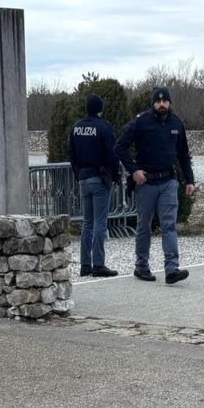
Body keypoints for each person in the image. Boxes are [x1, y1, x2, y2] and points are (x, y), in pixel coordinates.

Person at [116, 86, 196, 284]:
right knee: (144, 226)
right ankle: (141, 266)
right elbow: (119, 147)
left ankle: (172, 269)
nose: (162, 104)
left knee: (169, 225)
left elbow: (184, 155)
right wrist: (133, 170)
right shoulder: (141, 122)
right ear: (153, 103)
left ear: (169, 103)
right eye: (158, 101)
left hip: (168, 181)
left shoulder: (177, 123)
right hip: (146, 183)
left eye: (165, 101)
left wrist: (190, 180)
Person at [68, 93, 121, 278]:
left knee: (87, 223)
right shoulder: (104, 127)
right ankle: (98, 264)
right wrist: (115, 176)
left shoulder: (76, 128)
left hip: (83, 178)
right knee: (100, 222)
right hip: (99, 179)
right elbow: (112, 154)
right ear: (100, 109)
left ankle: (85, 265)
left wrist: (78, 174)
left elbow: (71, 154)